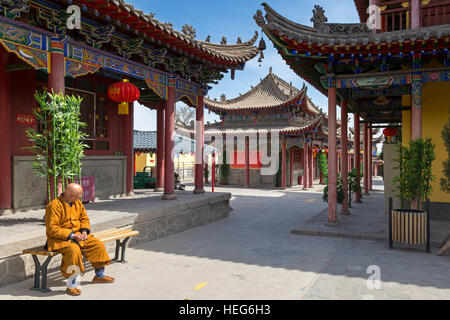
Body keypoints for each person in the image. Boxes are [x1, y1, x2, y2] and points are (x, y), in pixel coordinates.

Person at [45, 183, 114, 296]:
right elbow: (52, 229)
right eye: (78, 195)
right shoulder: (54, 206)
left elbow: (84, 218)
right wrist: (71, 235)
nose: (80, 198)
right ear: (71, 195)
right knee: (74, 251)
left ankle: (99, 275)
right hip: (59, 239)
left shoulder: (77, 203)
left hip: (78, 235)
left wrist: (84, 231)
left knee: (97, 244)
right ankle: (71, 285)